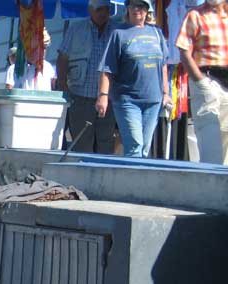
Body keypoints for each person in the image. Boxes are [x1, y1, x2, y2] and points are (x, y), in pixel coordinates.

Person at [97, 0, 171, 157]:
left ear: (147, 10)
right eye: (134, 5)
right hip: (127, 100)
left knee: (144, 148)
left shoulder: (156, 32)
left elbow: (163, 65)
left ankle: (137, 172)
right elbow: (107, 68)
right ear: (128, 8)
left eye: (141, 6)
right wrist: (103, 96)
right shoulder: (119, 33)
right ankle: (132, 173)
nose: (137, 9)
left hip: (153, 100)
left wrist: (166, 93)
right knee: (134, 146)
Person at [57, 0, 118, 154]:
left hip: (109, 98)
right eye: (99, 9)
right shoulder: (76, 28)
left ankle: (103, 170)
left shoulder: (117, 30)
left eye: (106, 9)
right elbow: (63, 58)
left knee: (106, 145)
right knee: (81, 144)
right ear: (90, 10)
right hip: (80, 96)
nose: (103, 13)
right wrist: (63, 86)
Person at [175, 0, 228, 165]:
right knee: (210, 142)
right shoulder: (195, 15)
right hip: (207, 79)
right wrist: (200, 81)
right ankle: (210, 177)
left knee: (226, 142)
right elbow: (183, 50)